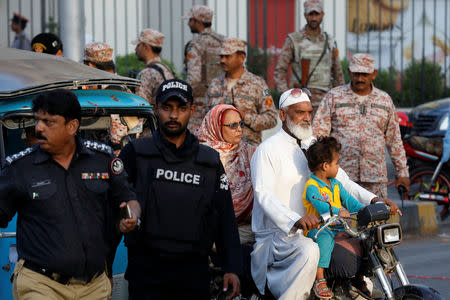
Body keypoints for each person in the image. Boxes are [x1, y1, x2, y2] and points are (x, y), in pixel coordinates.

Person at [250, 88, 400, 299]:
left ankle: (351, 287)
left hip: (321, 228)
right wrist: (295, 220)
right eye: (299, 112)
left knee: (366, 243)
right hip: (282, 236)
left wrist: (374, 199)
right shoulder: (267, 150)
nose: (307, 118)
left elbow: (344, 182)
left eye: (309, 112)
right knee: (310, 251)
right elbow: (264, 195)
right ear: (283, 115)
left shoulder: (314, 145)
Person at [0, 89, 140, 300]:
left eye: (49, 122)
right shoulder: (20, 168)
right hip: (41, 284)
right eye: (37, 121)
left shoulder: (102, 159)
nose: (38, 128)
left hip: (94, 285)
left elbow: (128, 198)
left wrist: (132, 215)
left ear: (72, 126)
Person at [119, 79, 242, 300]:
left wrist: (231, 267)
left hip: (193, 273)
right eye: (167, 108)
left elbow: (224, 216)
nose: (173, 115)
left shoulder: (208, 160)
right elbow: (113, 207)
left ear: (192, 110)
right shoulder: (136, 153)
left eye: (181, 108)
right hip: (147, 272)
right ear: (156, 109)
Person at [313, 53, 410, 198]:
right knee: (343, 219)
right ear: (349, 72)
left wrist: (402, 173)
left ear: (374, 74)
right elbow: (319, 135)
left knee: (377, 218)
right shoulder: (334, 97)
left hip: (375, 179)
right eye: (356, 73)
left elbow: (394, 140)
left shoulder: (384, 101)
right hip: (341, 177)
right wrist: (320, 169)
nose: (360, 78)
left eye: (365, 74)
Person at [303, 136, 368, 299]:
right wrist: (338, 211)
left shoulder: (336, 184)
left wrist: (367, 210)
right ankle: (319, 279)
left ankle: (358, 278)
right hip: (319, 229)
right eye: (337, 163)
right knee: (324, 242)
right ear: (325, 166)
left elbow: (351, 202)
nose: (339, 167)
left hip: (338, 226)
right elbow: (322, 206)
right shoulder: (312, 187)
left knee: (363, 239)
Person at [274, 0, 343, 116]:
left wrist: (339, 100)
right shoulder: (294, 40)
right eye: (311, 14)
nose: (314, 18)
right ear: (305, 15)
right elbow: (280, 71)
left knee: (322, 134)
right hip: (300, 99)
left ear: (322, 15)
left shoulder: (330, 41)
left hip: (324, 101)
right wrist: (287, 97)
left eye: (317, 14)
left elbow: (338, 74)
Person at [206, 38, 278, 146]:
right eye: (221, 57)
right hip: (218, 149)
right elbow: (206, 116)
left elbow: (272, 118)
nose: (223, 60)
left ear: (241, 58)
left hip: (247, 149)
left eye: (228, 56)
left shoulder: (258, 84)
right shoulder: (214, 84)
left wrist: (246, 117)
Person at [183, 5, 225, 131]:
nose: (188, 24)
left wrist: (182, 96)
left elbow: (194, 78)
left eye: (190, 20)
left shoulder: (196, 44)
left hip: (200, 107)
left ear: (198, 21)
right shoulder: (224, 41)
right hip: (223, 102)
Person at [132, 29, 175, 105]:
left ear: (146, 47)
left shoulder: (146, 73)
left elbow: (141, 104)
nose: (135, 49)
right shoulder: (166, 69)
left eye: (138, 45)